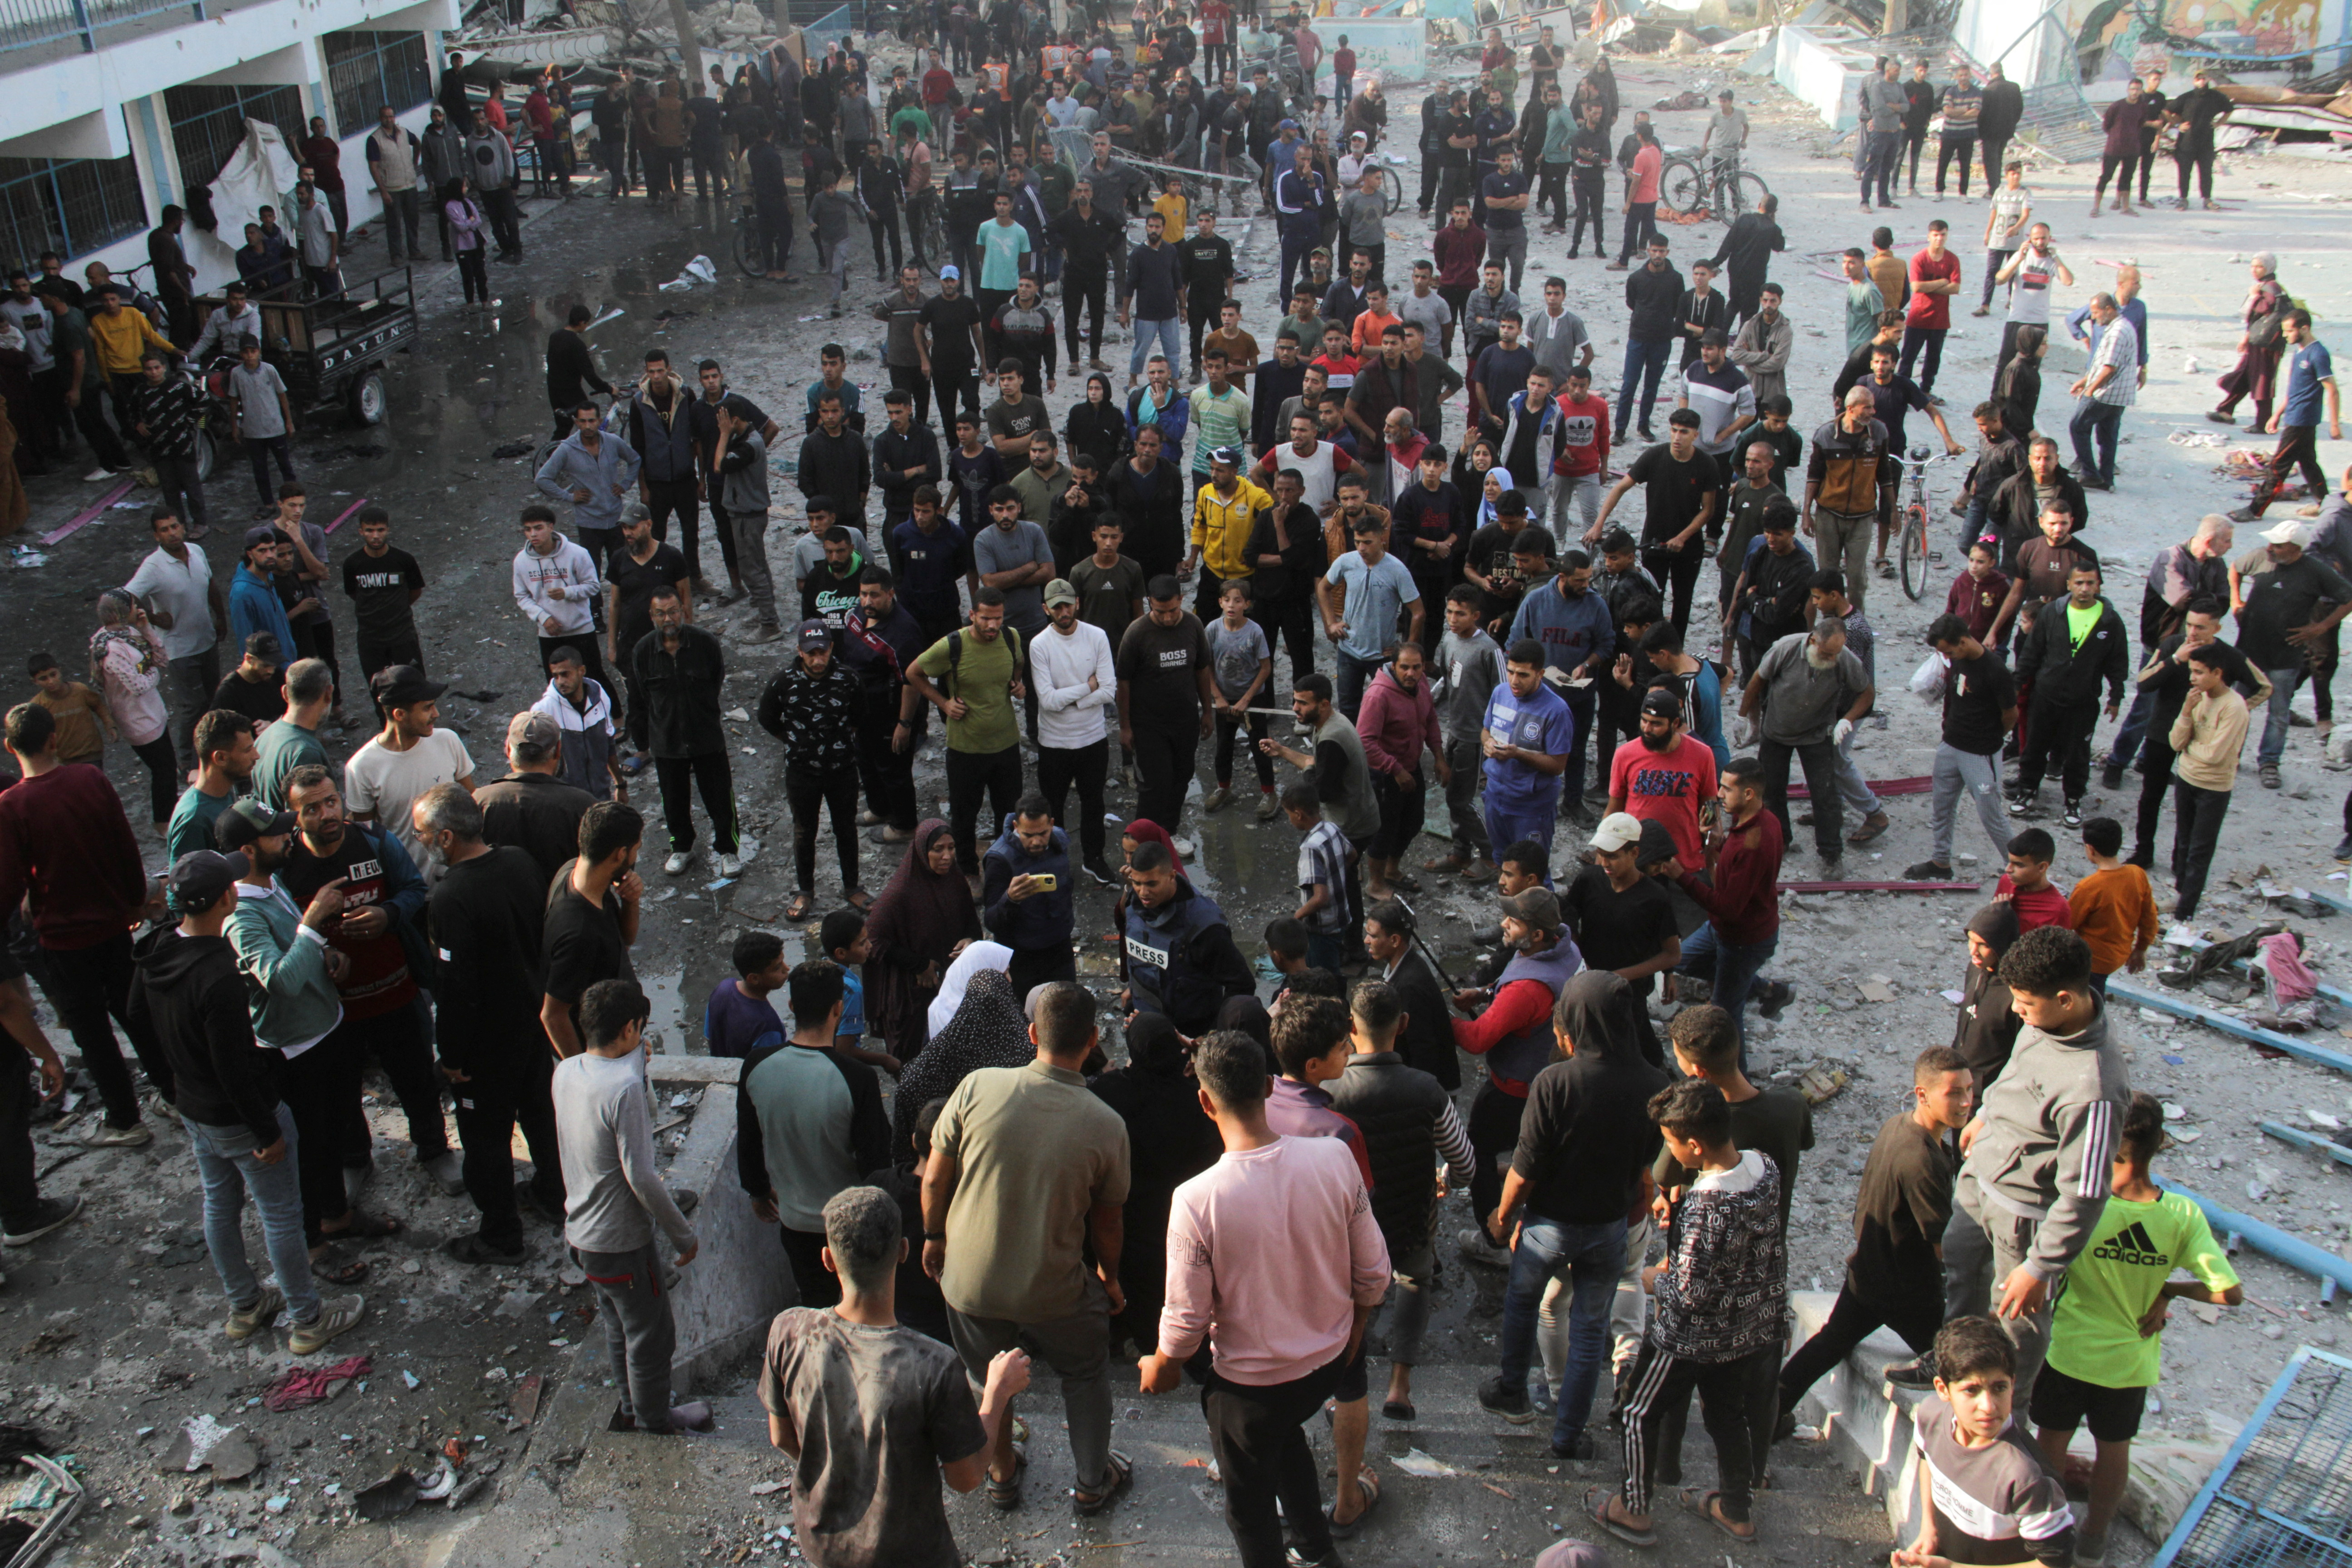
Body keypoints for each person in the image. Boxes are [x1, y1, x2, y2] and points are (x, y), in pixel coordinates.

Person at [1138, 1029, 1389, 1568]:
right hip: (1324, 1367)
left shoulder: (1195, 1199)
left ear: (1205, 1101)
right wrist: (1354, 1335)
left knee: (1249, 1512)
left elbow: (1186, 1322)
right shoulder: (1334, 1159)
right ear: (1271, 1084)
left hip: (1250, 1390)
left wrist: (1160, 1366)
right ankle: (1317, 1550)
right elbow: (1374, 1273)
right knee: (1286, 1440)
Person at [129, 850, 363, 1352]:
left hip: (196, 1112)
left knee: (220, 1203)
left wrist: (170, 1087)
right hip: (240, 1115)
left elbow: (136, 1018)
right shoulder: (219, 976)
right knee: (280, 1214)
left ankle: (245, 1304)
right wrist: (267, 1130)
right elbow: (234, 1067)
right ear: (227, 899)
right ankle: (307, 1320)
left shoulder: (157, 947)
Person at [1890, 925, 2127, 1412]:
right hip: (1982, 1184)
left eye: (2026, 1002)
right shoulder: (2044, 1024)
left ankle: (2007, 1415)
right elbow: (2013, 1075)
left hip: (2024, 1215)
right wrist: (1986, 1115)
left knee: (2018, 1319)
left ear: (2065, 999)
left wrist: (2041, 1266)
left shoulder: (2095, 1087)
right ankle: (1951, 1363)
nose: (2016, 1010)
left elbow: (2084, 1193)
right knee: (1960, 1272)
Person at [922, 980, 1133, 1515]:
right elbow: (1108, 1223)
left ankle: (1001, 1474)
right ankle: (1091, 1482)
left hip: (971, 1280)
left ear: (1033, 1033)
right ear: (1093, 1039)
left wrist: (934, 1236)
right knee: (1084, 1373)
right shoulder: (1106, 1125)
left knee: (985, 1376)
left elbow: (933, 1179)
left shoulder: (976, 1088)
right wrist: (1109, 1278)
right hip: (1055, 1288)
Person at [758, 1185, 1029, 1568]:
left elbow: (781, 1436)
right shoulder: (934, 1365)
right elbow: (966, 1477)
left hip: (822, 1544)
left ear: (828, 1260)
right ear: (903, 1251)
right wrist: (997, 1393)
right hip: (908, 1554)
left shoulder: (788, 1332)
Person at [2033, 1092, 2239, 1567]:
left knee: (2051, 1444)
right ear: (2160, 1143)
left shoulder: (2084, 1206)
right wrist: (2170, 1291)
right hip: (2130, 1362)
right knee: (2114, 1451)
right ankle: (2094, 1541)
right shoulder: (2182, 1216)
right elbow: (2229, 1293)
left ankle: (2048, 1535)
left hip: (2068, 1351)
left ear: (2110, 1147)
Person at [1478, 967, 1670, 1465]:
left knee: (1524, 1302)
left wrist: (1502, 1219)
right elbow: (1646, 1165)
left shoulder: (1554, 1083)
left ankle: (1512, 1391)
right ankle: (1568, 1437)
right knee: (1590, 1330)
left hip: (1548, 1227)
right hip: (1608, 1228)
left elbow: (1525, 1170)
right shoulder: (1655, 1082)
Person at [1589, 1078, 1784, 1548]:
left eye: (1672, 1144)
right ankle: (1737, 1509)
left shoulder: (1704, 1204)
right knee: (1727, 1416)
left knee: (1637, 1412)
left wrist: (1659, 1279)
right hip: (1748, 1328)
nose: (1670, 1153)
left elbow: (1690, 1294)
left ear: (1693, 1145)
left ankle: (1633, 1509)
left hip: (1689, 1339)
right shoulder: (1766, 1169)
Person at [1776, 1044, 1972, 1427]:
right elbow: (1942, 1247)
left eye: (1969, 1090)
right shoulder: (1924, 1160)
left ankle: (1768, 1414)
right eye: (1954, 1093)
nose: (1966, 1102)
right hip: (1910, 1292)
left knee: (1828, 1344)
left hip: (1868, 1271)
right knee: (1964, 1369)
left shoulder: (1898, 1125)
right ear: (1923, 1094)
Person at [0, 701, 161, 1147]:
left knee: (92, 1034)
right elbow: (127, 848)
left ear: (10, 747)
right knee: (137, 1016)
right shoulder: (91, 779)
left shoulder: (12, 805)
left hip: (63, 941)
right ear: (55, 739)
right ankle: (172, 1093)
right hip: (113, 925)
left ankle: (124, 1119)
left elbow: (9, 882)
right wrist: (134, 904)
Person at [555, 980, 710, 1434]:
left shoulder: (567, 1070)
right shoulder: (623, 1089)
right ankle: (655, 1418)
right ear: (629, 1029)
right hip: (621, 1242)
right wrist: (683, 1234)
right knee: (652, 1337)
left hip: (582, 1235)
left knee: (618, 1326)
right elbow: (641, 1176)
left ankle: (631, 1406)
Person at [737, 959, 889, 1310]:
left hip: (793, 1220)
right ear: (839, 1009)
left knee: (814, 1303)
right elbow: (875, 1162)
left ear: (791, 1006)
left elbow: (749, 1140)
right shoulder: (857, 1078)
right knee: (858, 1306)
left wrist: (759, 1192)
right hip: (849, 1224)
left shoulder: (757, 1066)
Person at [1894, 1317, 2077, 1567]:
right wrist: (1929, 1529)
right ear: (1943, 1389)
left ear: (2013, 1384)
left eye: (1999, 1388)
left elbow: (2053, 1563)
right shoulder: (1931, 1417)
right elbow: (1927, 1458)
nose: (1988, 1407)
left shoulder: (2026, 1476)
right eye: (1972, 1390)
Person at [906, 589, 1025, 878]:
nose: (992, 626)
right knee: (964, 817)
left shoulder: (1011, 637)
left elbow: (1018, 662)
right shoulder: (953, 644)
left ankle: (1001, 869)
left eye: (997, 618)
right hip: (966, 749)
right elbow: (913, 673)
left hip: (1005, 744)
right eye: (985, 619)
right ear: (973, 615)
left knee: (1009, 815)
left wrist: (1017, 685)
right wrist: (944, 703)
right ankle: (970, 873)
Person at [1742, 615, 1871, 870]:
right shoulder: (1786, 649)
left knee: (1825, 795)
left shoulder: (1844, 659)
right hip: (1777, 731)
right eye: (1825, 654)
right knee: (1772, 791)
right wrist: (1744, 717)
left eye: (1834, 655)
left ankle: (1831, 854)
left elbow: (1867, 693)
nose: (1830, 660)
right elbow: (1757, 681)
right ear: (1813, 640)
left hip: (1816, 734)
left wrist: (1847, 719)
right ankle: (1781, 841)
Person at [2009, 563, 2127, 826]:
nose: (2085, 589)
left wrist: (2116, 696)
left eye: (2090, 583)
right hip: (2046, 695)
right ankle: (2027, 791)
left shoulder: (2110, 620)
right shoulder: (2052, 613)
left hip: (2083, 701)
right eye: (2079, 583)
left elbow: (2118, 660)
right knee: (2035, 746)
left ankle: (2073, 801)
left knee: (2078, 754)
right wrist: (2017, 686)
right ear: (2069, 585)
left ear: (2099, 585)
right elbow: (2032, 652)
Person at [1906, 615, 2020, 881]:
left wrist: (1992, 739)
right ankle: (1941, 861)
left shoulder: (1995, 670)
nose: (1946, 656)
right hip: (1951, 746)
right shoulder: (1959, 659)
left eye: (1948, 650)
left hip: (1979, 753)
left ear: (1964, 641)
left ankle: (2017, 870)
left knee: (1991, 814)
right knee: (1942, 807)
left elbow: (2011, 714)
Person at [1121, 838, 1255, 1032]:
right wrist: (1134, 990)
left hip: (1192, 1036)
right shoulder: (1135, 903)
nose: (1143, 893)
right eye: (1137, 883)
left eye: (1152, 884)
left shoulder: (1204, 926)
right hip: (1146, 1028)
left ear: (1172, 876)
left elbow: (1242, 986)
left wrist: (1213, 1037)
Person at [1115, 578, 1215, 836]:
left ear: (1182, 599)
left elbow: (1202, 670)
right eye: (1161, 612)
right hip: (1149, 724)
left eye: (1173, 610)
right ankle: (1142, 839)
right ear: (1150, 603)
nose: (1169, 618)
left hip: (1185, 720)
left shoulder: (1193, 625)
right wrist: (1125, 726)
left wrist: (1207, 711)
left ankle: (1169, 832)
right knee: (1154, 785)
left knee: (1182, 778)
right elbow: (1123, 683)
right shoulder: (1136, 633)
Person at [2166, 644, 2251, 919]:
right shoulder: (2196, 698)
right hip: (2187, 778)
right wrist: (2187, 712)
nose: (2193, 678)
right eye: (2192, 671)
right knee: (2183, 839)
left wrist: (2189, 750)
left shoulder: (2234, 707)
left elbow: (2215, 754)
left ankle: (2186, 910)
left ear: (2217, 673)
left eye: (2200, 673)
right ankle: (2180, 893)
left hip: (2213, 786)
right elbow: (2175, 741)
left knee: (2200, 848)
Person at [2235, 309, 2339, 522]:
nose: (2285, 335)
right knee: (2309, 464)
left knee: (2278, 466)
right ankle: (2327, 505)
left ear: (2305, 329)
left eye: (2289, 331)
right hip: (2294, 416)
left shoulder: (2318, 354)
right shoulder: (2300, 352)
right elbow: (2294, 390)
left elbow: (2332, 389)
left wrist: (2335, 424)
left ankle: (2256, 510)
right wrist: (2277, 415)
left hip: (2303, 420)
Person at [475, 710, 596, 885]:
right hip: (562, 907)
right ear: (558, 751)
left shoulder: (481, 801)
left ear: (508, 749)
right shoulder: (584, 806)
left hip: (503, 908)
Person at [980, 795, 1077, 992]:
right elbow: (991, 921)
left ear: (1052, 824)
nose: (1036, 842)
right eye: (1028, 835)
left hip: (1060, 948)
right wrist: (1010, 899)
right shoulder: (1000, 860)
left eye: (1043, 833)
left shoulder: (1060, 840)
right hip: (1022, 957)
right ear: (1016, 826)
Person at [2066, 294, 2138, 492]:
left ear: (2109, 309)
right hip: (2120, 394)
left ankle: (2090, 473)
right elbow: (2102, 364)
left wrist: (2090, 389)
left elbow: (2109, 368)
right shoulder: (2119, 327)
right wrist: (2085, 380)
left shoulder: (2117, 332)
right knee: (2108, 434)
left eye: (2096, 313)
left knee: (2078, 426)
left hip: (2109, 392)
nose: (2094, 318)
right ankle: (2106, 479)